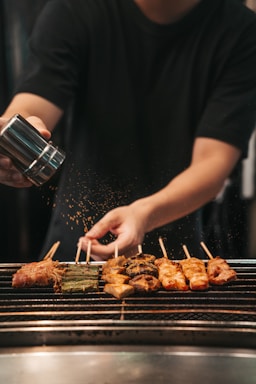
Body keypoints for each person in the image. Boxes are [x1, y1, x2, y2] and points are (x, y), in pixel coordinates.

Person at [0, 0, 256, 261]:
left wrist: (144, 214)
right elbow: (35, 103)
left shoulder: (241, 31)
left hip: (175, 256)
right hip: (77, 245)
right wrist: (11, 137)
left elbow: (213, 162)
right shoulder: (75, 8)